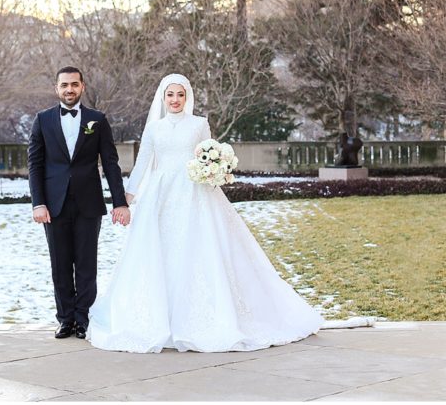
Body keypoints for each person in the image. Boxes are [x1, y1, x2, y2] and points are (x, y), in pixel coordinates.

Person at [87, 73, 323, 352]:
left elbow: (208, 155)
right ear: (163, 98)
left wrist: (215, 171)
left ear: (187, 97)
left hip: (195, 193)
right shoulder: (154, 129)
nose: (175, 100)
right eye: (170, 95)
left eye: (180, 95)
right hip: (161, 197)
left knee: (199, 248)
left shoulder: (199, 124)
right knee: (159, 251)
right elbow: (142, 165)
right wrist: (125, 198)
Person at [28, 66, 130, 340]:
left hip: (89, 204)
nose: (69, 89)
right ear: (57, 88)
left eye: (74, 84)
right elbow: (35, 165)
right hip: (54, 205)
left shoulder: (98, 120)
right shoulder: (43, 120)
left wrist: (120, 202)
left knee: (86, 264)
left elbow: (110, 163)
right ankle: (65, 319)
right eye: (64, 85)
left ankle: (83, 319)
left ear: (82, 87)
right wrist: (38, 203)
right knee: (60, 264)